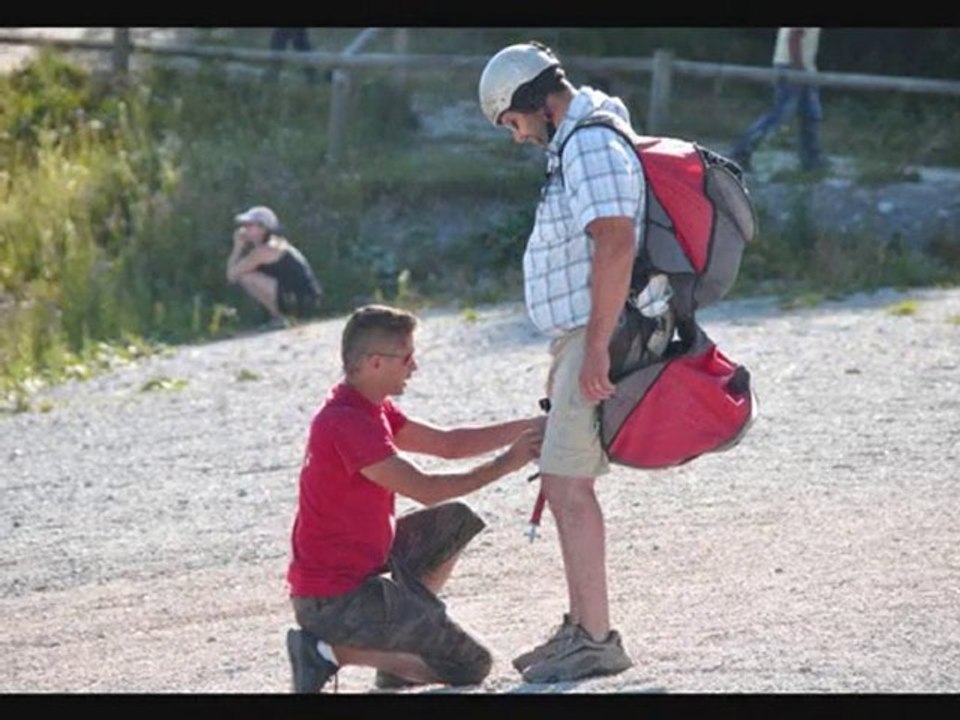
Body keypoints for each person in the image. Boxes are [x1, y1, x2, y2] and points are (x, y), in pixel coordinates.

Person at [477, 41, 642, 683]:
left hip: (588, 333)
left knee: (570, 484)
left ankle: (596, 637)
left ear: (536, 104)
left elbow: (616, 240)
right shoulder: (574, 142)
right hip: (576, 333)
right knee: (561, 478)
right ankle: (583, 626)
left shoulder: (591, 142)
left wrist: (597, 343)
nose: (517, 137)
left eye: (514, 123)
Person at [285, 304, 545, 693]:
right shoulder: (345, 422)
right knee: (469, 665)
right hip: (333, 600)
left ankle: (398, 650)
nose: (414, 367)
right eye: (406, 357)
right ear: (374, 363)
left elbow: (449, 443)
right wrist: (507, 463)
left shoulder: (370, 407)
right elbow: (424, 489)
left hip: (362, 571)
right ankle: (327, 650)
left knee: (453, 521)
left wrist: (532, 427)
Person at [729, 27, 825, 173]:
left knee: (809, 115)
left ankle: (811, 161)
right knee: (780, 115)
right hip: (794, 66)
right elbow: (794, 37)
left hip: (799, 66)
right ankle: (741, 151)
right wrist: (799, 69)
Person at [225, 205, 322, 330]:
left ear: (262, 228)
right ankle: (281, 317)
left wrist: (237, 248)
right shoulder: (274, 244)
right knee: (248, 275)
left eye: (249, 225)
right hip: (306, 298)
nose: (244, 229)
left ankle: (280, 318)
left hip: (302, 300)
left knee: (246, 277)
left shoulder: (265, 250)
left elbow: (231, 275)